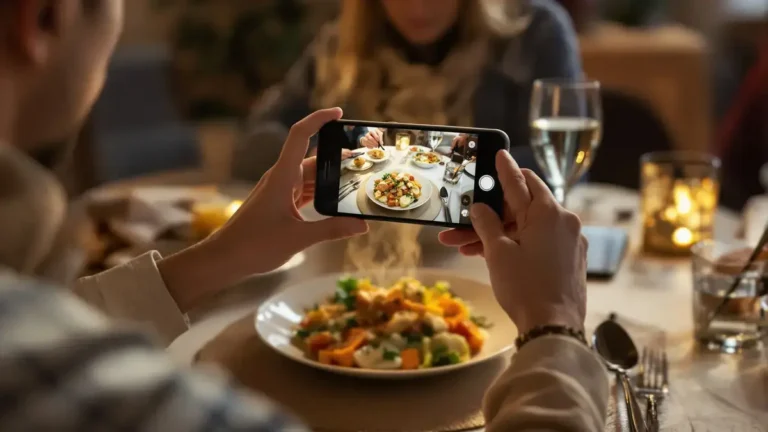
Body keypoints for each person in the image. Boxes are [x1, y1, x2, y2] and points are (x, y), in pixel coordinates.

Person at [0, 1, 607, 430]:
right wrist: (555, 325)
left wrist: (221, 257)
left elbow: (62, 319)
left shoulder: (532, 28)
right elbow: (259, 137)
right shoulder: (159, 405)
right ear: (42, 16)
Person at [233, 0, 581, 181]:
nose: (416, 8)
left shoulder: (536, 33)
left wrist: (416, 167)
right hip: (349, 250)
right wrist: (314, 157)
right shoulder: (340, 45)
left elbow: (560, 164)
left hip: (492, 251)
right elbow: (254, 145)